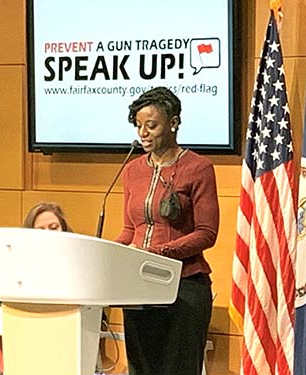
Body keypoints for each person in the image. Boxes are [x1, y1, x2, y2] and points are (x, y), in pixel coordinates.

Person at [115, 86, 219, 375]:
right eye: (138, 126)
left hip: (184, 286)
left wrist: (156, 254)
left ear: (173, 123)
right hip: (138, 288)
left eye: (151, 125)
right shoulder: (132, 170)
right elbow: (129, 229)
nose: (143, 133)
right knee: (141, 367)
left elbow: (207, 233)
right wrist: (111, 254)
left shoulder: (199, 168)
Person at [0, 202, 72, 375]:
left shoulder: (75, 264)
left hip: (62, 333)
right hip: (21, 331)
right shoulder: (15, 264)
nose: (48, 234)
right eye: (40, 230)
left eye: (53, 227)